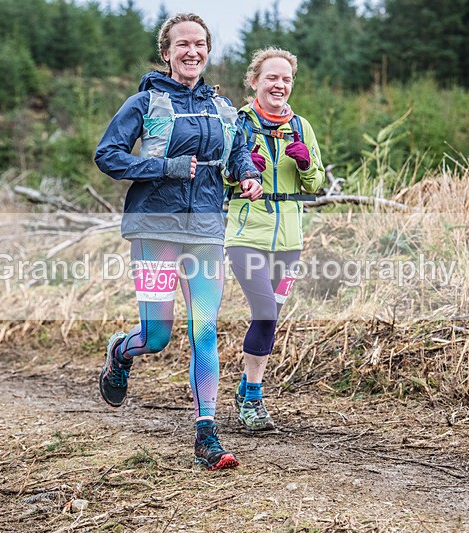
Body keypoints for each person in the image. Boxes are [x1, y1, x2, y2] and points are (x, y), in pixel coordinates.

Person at [94, 13, 263, 470]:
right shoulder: (144, 102)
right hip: (156, 229)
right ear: (166, 53)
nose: (192, 51)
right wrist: (163, 168)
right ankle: (120, 352)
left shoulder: (222, 108)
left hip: (206, 230)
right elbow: (106, 155)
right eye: (182, 44)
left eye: (200, 44)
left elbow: (239, 149)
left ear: (208, 50)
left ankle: (206, 434)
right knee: (157, 336)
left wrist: (246, 174)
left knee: (204, 329)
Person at [224, 48, 325, 431]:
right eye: (272, 78)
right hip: (247, 234)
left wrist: (305, 162)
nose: (279, 85)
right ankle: (253, 399)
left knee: (270, 318)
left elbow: (315, 185)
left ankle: (247, 387)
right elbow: (218, 178)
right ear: (255, 81)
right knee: (265, 310)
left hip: (289, 239)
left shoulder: (301, 126)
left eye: (286, 79)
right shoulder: (238, 123)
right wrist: (242, 171)